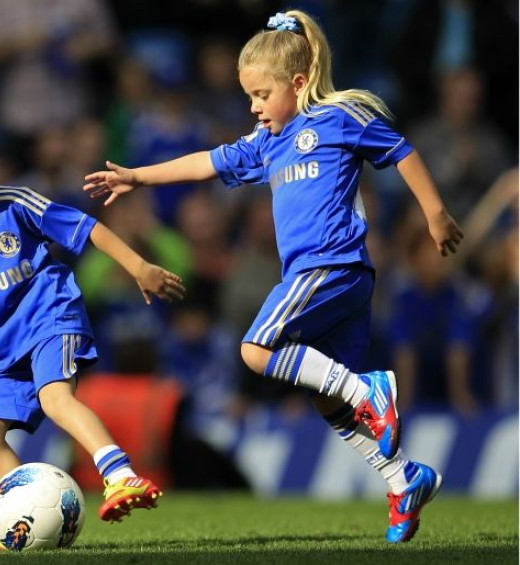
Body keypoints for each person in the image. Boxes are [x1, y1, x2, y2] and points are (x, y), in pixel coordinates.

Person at [84, 10, 464, 544]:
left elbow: (401, 152)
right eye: (249, 97)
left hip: (329, 267)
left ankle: (371, 391)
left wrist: (434, 214)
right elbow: (205, 163)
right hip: (333, 283)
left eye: (262, 94)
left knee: (255, 350)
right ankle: (403, 477)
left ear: (299, 83)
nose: (254, 107)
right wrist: (136, 176)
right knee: (326, 399)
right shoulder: (268, 143)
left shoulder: (337, 118)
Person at [0, 105, 185, 551]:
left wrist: (139, 266)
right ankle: (23, 521)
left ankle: (121, 476)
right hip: (2, 354)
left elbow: (87, 229)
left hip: (50, 318)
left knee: (56, 397)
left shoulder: (16, 204)